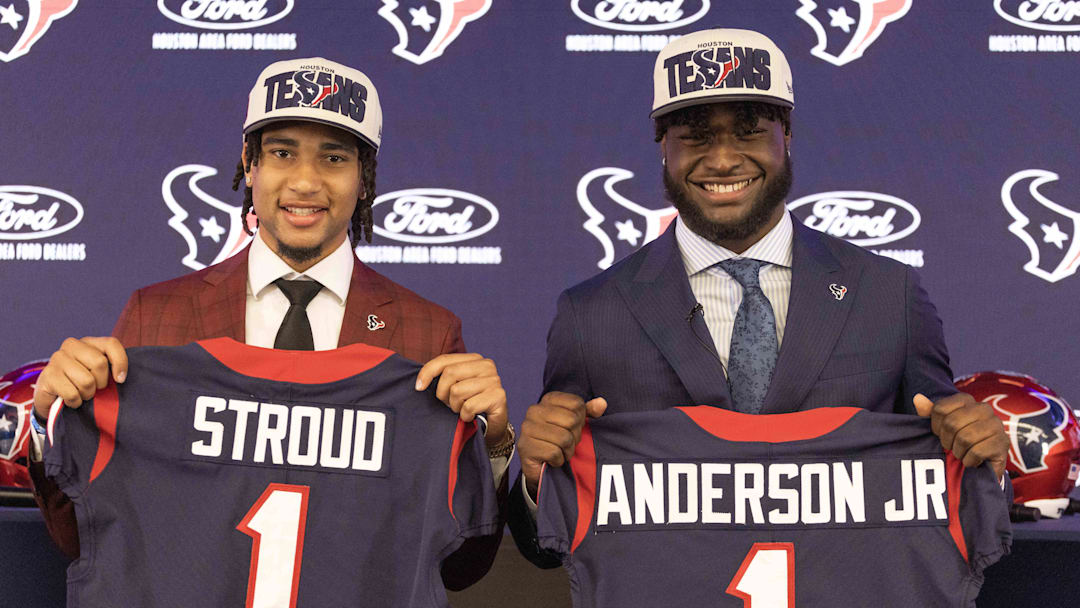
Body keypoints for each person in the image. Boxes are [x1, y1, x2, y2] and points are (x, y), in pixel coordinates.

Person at [509, 28, 1009, 566]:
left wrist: (983, 462)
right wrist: (537, 480)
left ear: (786, 133)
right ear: (663, 145)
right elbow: (547, 547)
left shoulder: (889, 295)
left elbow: (948, 491)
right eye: (695, 136)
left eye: (748, 131)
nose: (722, 160)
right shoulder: (591, 314)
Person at [27, 57, 513, 590]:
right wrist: (52, 423)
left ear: (364, 176)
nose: (305, 181)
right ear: (249, 163)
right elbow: (88, 537)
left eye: (334, 157)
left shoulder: (428, 334)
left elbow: (458, 568)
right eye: (282, 153)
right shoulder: (158, 315)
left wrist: (488, 451)